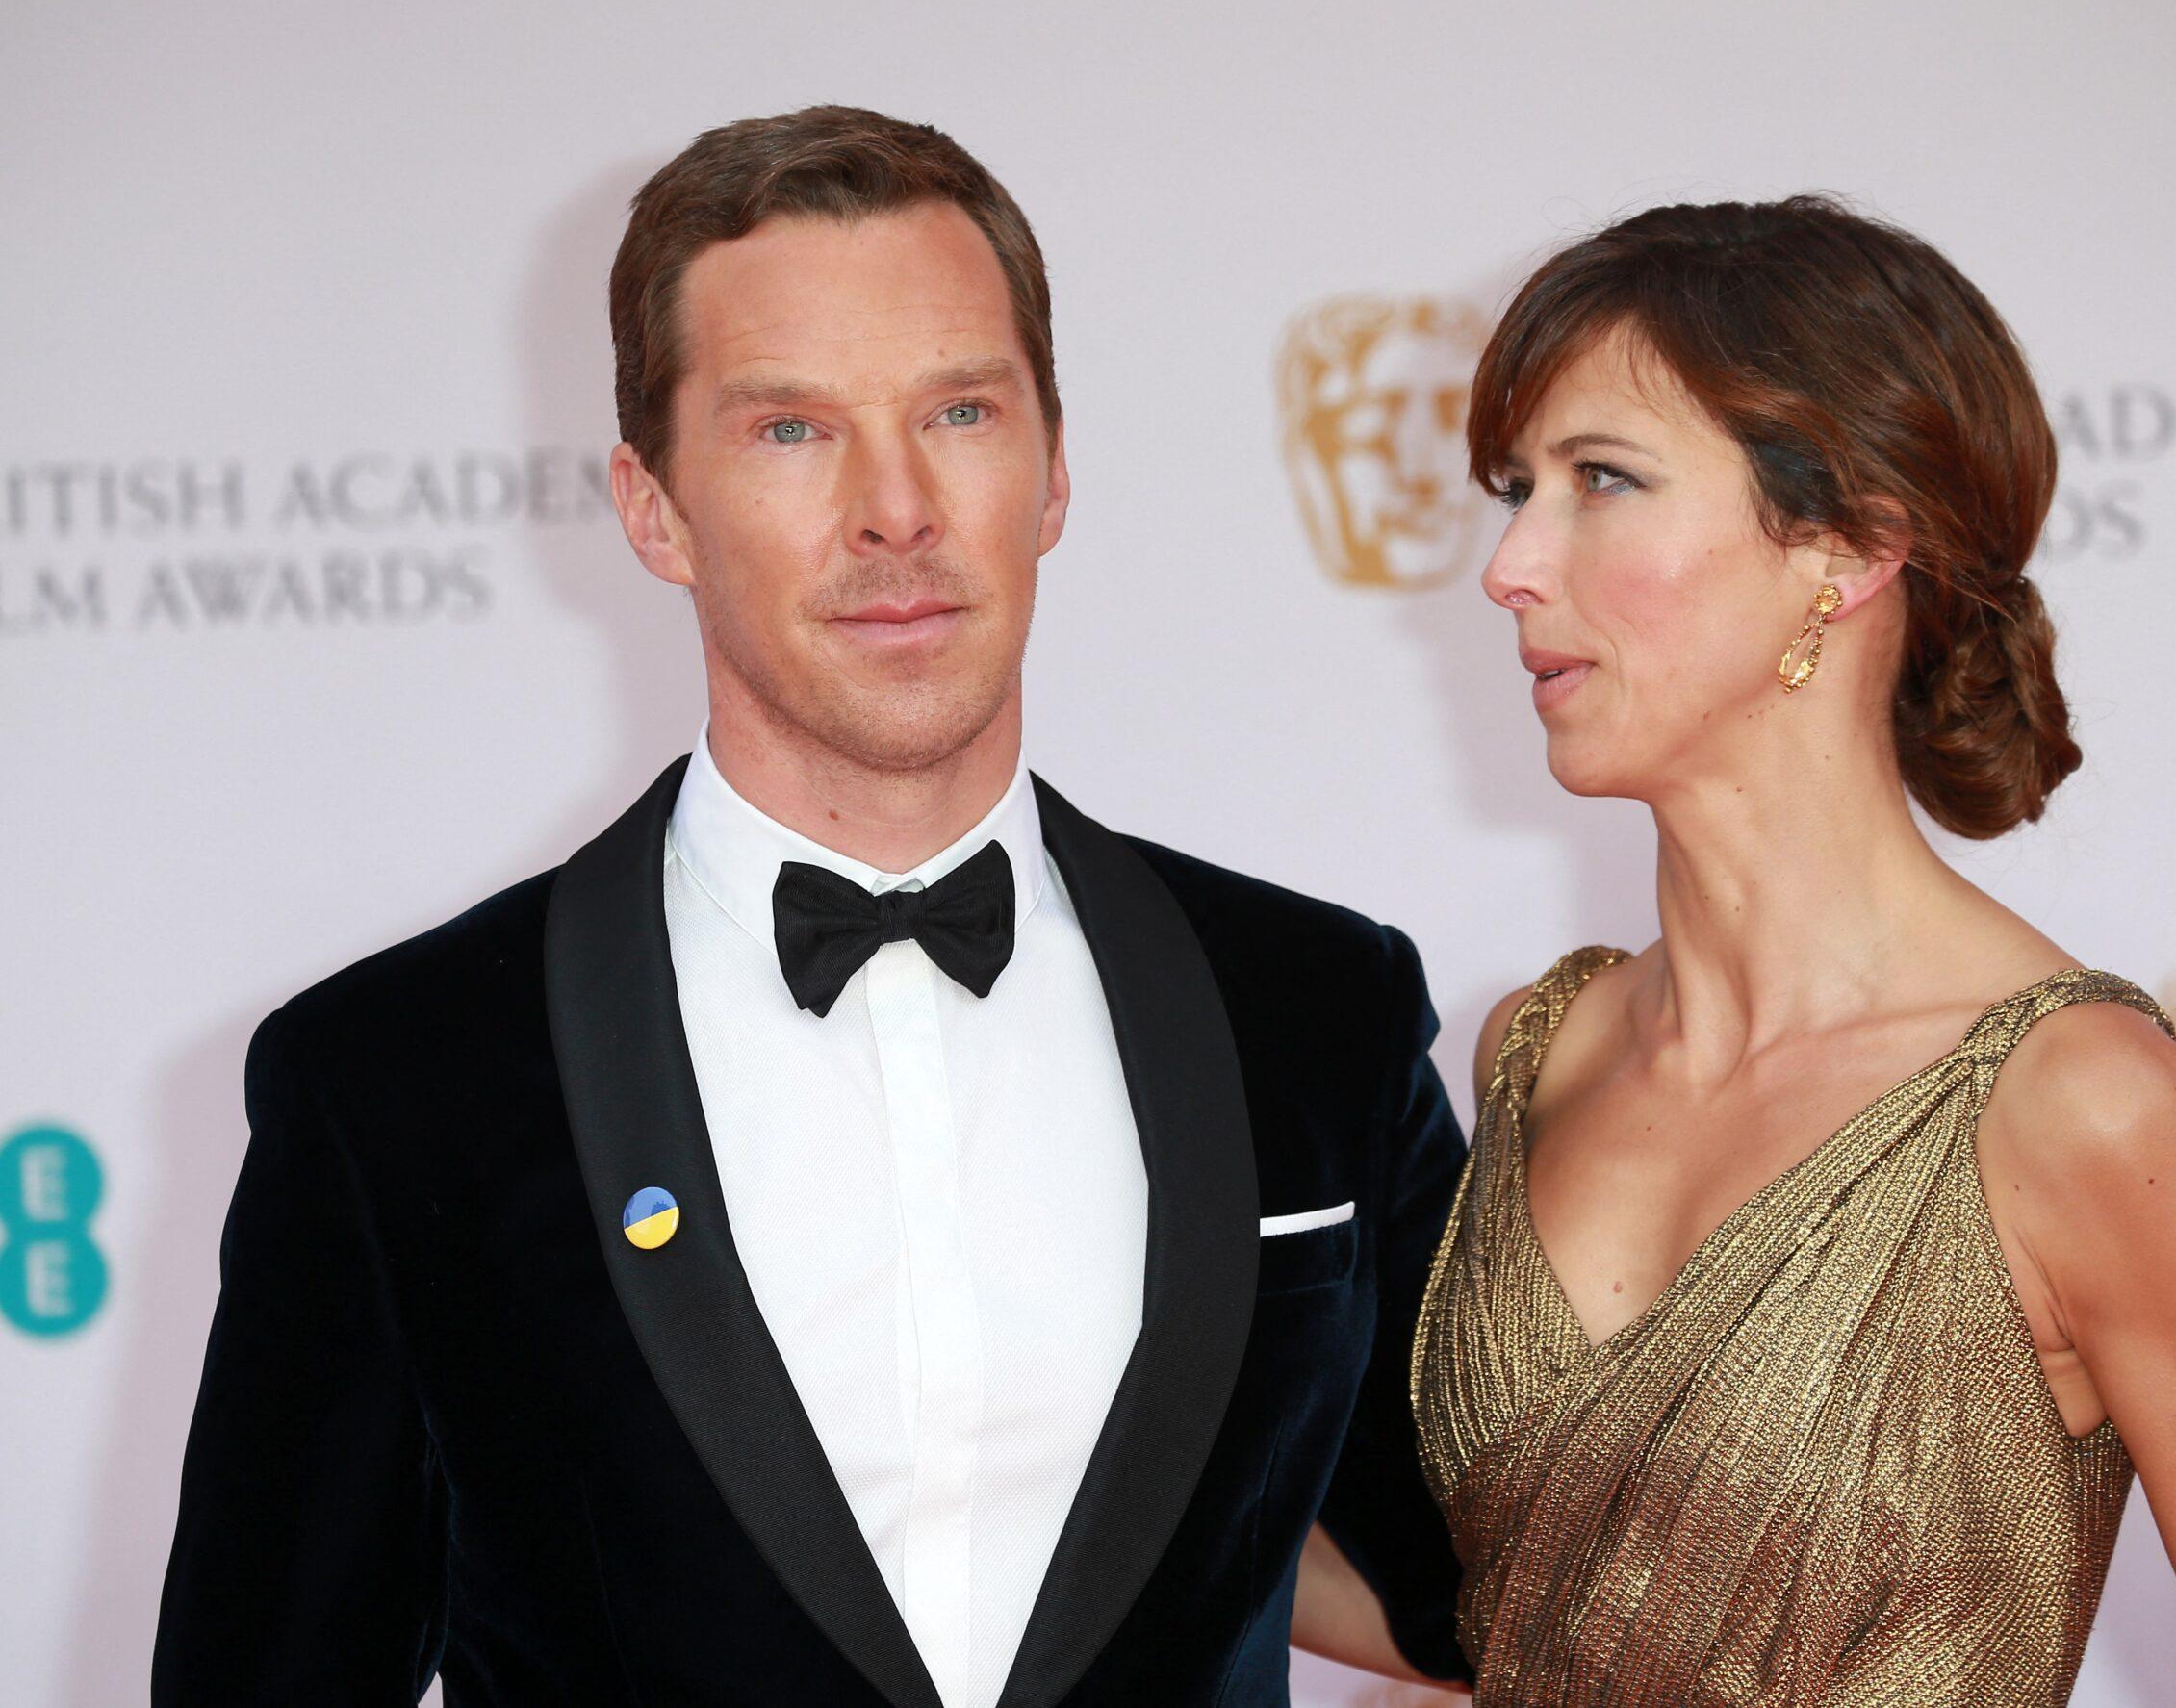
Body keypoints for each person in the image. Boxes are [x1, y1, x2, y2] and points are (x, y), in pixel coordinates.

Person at [154, 105, 1469, 1706]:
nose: (896, 510)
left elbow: (1486, 1587)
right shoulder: (396, 1080)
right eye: (792, 430)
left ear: (1053, 469)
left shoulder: (1314, 1008)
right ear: (653, 509)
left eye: (962, 412)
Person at [1408, 196, 2176, 1705]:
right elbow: (1530, 1611)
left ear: (1851, 545)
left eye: (1602, 483)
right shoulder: (1537, 1049)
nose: (1510, 564)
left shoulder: (2083, 1111)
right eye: (1516, 490)